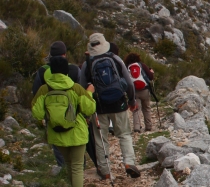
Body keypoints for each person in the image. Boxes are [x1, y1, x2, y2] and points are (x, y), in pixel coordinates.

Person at [31, 56, 96, 187]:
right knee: (77, 166)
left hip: (57, 135)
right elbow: (89, 109)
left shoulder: (44, 90)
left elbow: (37, 113)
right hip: (77, 132)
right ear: (66, 71)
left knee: (68, 164)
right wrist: (90, 94)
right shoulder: (75, 88)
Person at [80, 33, 141, 179]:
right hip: (118, 103)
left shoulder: (87, 64)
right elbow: (129, 83)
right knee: (124, 134)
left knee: (101, 138)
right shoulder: (115, 59)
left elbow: (82, 86)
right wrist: (132, 101)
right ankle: (129, 162)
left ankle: (105, 170)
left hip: (99, 106)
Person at [32, 41, 83, 167]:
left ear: (50, 55)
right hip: (73, 112)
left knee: (57, 140)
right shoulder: (74, 69)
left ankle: (63, 167)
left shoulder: (43, 71)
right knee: (75, 138)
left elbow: (36, 93)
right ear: (65, 54)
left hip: (52, 112)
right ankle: (79, 167)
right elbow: (81, 90)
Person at [124, 52, 155, 132]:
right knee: (146, 108)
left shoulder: (127, 67)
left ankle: (137, 128)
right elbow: (150, 77)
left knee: (136, 109)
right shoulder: (142, 65)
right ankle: (148, 126)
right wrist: (151, 72)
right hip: (145, 90)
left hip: (134, 91)